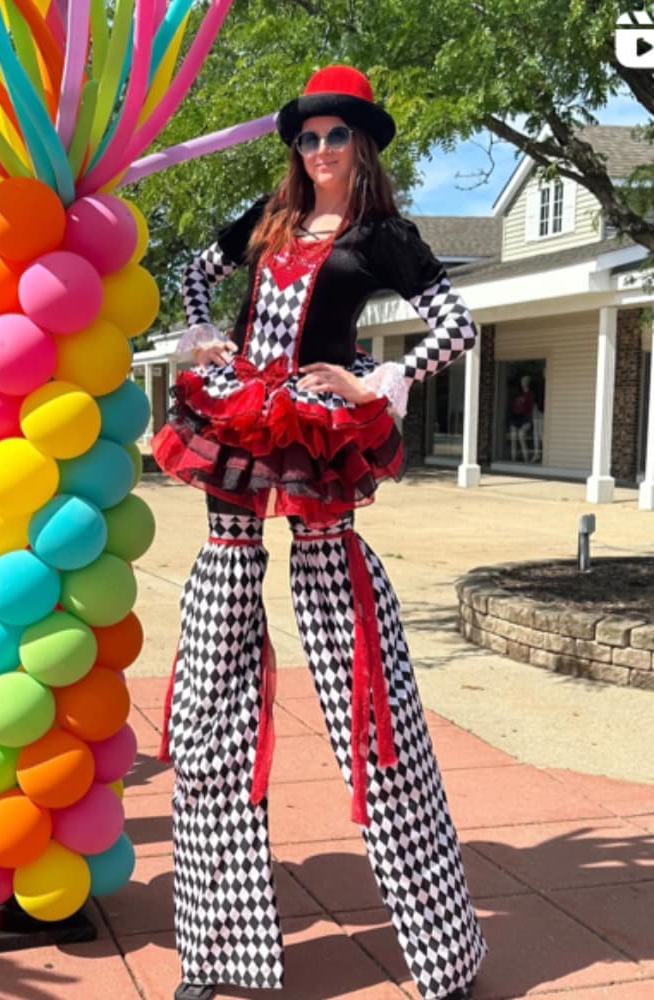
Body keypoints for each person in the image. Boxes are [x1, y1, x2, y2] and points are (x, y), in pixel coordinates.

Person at [152, 65, 487, 1000]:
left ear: (361, 146)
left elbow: (455, 325)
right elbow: (192, 273)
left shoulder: (383, 236)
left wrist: (377, 380)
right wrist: (201, 335)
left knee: (359, 674)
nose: (322, 151)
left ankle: (439, 954)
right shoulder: (266, 222)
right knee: (214, 668)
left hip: (316, 428)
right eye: (308, 138)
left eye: (337, 136)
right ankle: (216, 956)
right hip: (241, 415)